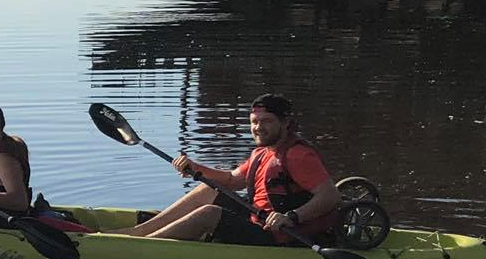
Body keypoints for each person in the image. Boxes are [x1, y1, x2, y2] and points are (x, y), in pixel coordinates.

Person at [121, 94, 341, 245]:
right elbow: (231, 180)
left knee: (210, 214)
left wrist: (291, 217)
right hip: (259, 219)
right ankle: (140, 233)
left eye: (266, 121)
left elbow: (330, 196)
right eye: (254, 121)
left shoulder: (297, 155)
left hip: (283, 235)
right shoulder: (263, 152)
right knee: (209, 190)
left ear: (285, 123)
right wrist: (195, 168)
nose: (258, 128)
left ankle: (142, 245)